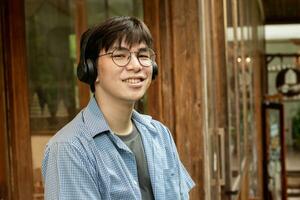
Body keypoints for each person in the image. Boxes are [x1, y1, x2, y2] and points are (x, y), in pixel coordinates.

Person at [42, 16, 195, 200]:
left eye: (143, 55)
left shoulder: (160, 135)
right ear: (91, 69)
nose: (136, 65)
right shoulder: (69, 149)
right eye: (120, 55)